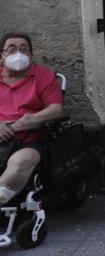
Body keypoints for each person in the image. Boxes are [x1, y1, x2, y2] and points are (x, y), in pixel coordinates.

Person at [0, 33, 64, 206]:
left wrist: (21, 123)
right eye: (12, 49)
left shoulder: (43, 76)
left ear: (31, 55)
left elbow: (56, 110)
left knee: (22, 161)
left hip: (28, 140)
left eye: (24, 49)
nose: (18, 54)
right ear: (2, 55)